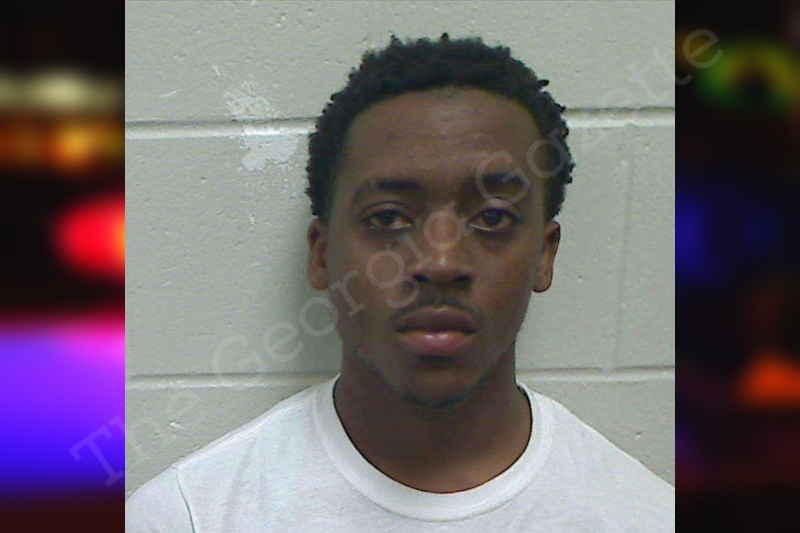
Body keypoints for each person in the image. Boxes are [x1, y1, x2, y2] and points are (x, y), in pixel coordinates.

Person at [126, 34, 674, 531]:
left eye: (492, 217)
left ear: (544, 256)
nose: (440, 262)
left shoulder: (643, 516)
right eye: (388, 218)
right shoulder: (190, 516)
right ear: (322, 255)